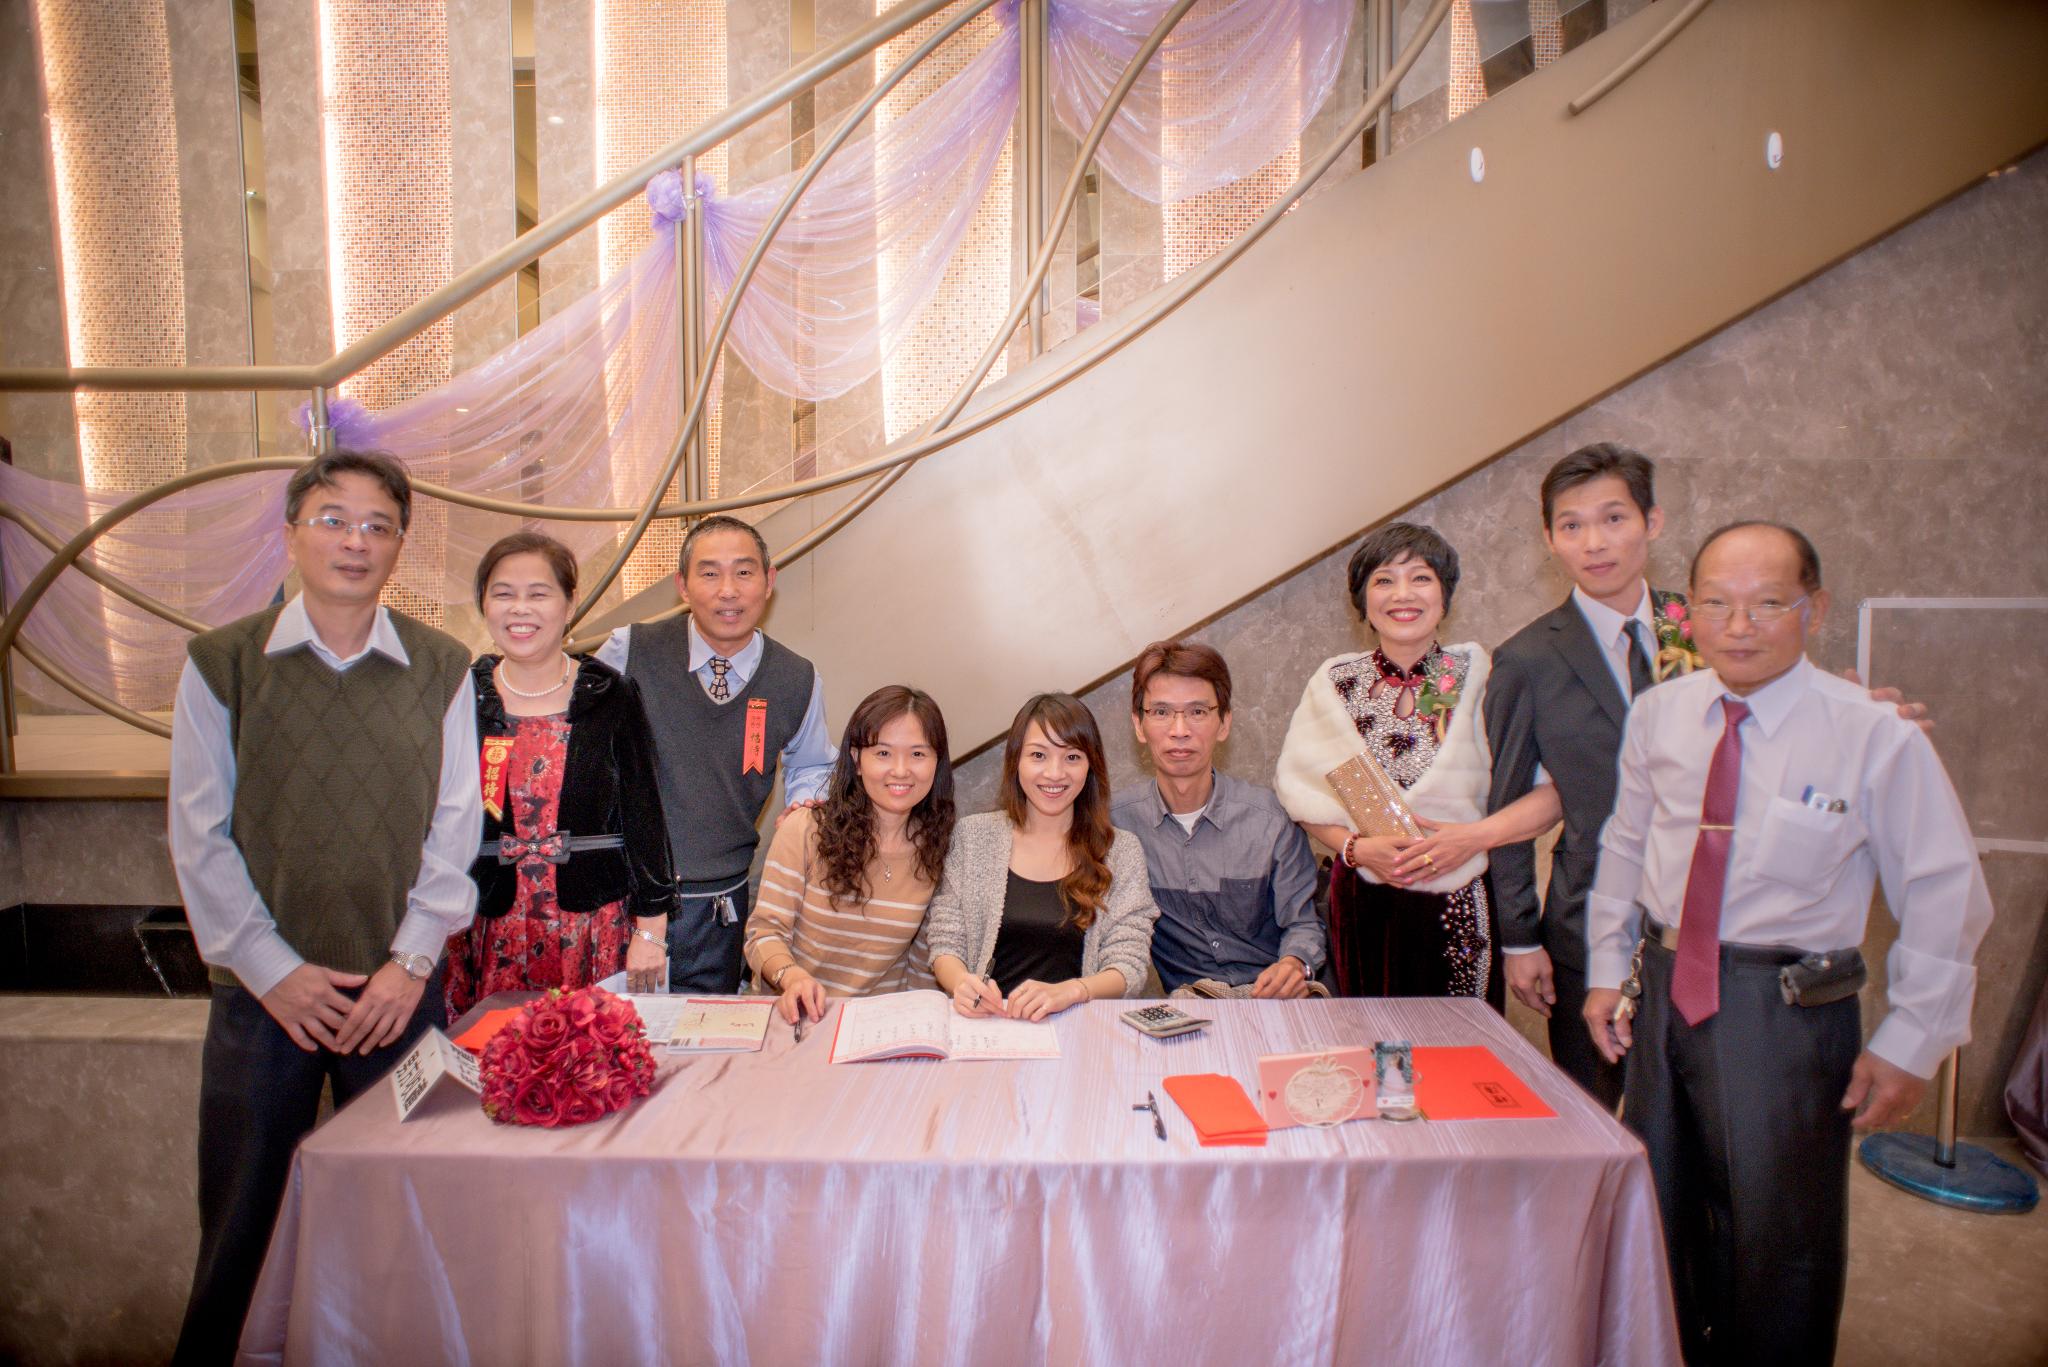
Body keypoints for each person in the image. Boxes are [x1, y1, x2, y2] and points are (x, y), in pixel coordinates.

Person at [1582, 521, 1992, 1365]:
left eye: (1768, 603)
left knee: (1780, 1238)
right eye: (1716, 603)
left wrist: (1912, 1040)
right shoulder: (1661, 713)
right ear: (1688, 610)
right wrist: (1604, 969)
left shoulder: (1874, 731)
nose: (1739, 625)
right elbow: (1625, 844)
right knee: (1659, 1210)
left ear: (1815, 608)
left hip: (1788, 1011)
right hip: (1664, 993)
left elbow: (1944, 889)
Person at [1486, 443, 1929, 1105]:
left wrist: (1855, 713)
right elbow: (1508, 802)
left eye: (1613, 518)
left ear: (1652, 522)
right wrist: (1520, 938)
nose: (1595, 542)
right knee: (1594, 1113)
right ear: (1549, 539)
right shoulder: (1525, 659)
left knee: (1711, 1117)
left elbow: (1791, 710)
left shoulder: (1715, 621)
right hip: (1589, 921)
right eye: (1572, 525)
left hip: (1731, 925)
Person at [168, 451, 481, 1364]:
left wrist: (411, 961)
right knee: (242, 1223)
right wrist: (273, 972)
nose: (355, 541)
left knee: (408, 1223)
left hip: (398, 996)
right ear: (292, 533)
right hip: (263, 1001)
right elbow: (198, 833)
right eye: (334, 520)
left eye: (378, 525)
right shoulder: (223, 662)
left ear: (399, 546)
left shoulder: (441, 665)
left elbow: (455, 823)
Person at [1276, 523, 1562, 1005]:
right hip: (1364, 901)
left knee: (1462, 1041)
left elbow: (1550, 794)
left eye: (1421, 577)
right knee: (1371, 1038)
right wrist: (1356, 849)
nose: (1402, 594)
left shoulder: (1485, 677)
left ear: (1445, 595)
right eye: (1384, 580)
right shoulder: (1335, 682)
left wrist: (1473, 838)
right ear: (1362, 599)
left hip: (1462, 900)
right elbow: (1301, 794)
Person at [594, 514, 834, 993]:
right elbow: (581, 748)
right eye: (709, 573)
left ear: (769, 582)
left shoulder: (796, 678)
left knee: (707, 1031)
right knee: (610, 1029)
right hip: (625, 897)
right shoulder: (629, 651)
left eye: (744, 572)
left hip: (721, 903)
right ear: (683, 586)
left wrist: (803, 805)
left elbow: (813, 765)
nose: (728, 590)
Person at [445, 532, 675, 1016]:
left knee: (588, 1050)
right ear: (484, 604)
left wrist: (651, 930)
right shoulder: (464, 695)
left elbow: (645, 816)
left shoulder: (610, 694)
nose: (520, 609)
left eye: (538, 593)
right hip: (489, 923)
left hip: (591, 924)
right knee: (497, 1051)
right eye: (503, 593)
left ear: (569, 604)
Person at [1109, 639, 1327, 999]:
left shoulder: (1271, 820)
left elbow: (1303, 923)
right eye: (1161, 712)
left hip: (1272, 999)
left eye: (1197, 712)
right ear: (1139, 725)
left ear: (1224, 723)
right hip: (1188, 1005)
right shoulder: (1113, 824)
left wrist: (1294, 964)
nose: (1180, 730)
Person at [929, 694, 1159, 1020]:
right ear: (1016, 761)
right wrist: (961, 984)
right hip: (988, 1025)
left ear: (1090, 765)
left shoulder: (1121, 851)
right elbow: (946, 940)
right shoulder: (972, 837)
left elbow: (1129, 964)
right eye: (1038, 755)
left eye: (1072, 757)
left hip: (1077, 1025)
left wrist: (1073, 991)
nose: (1054, 773)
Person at [744, 686, 956, 1024]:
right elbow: (764, 933)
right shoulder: (806, 829)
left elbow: (920, 966)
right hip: (796, 1020)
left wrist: (918, 1027)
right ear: (857, 760)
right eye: (883, 753)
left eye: (918, 754)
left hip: (877, 1028)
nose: (901, 770)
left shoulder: (938, 848)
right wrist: (792, 977)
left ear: (936, 763)